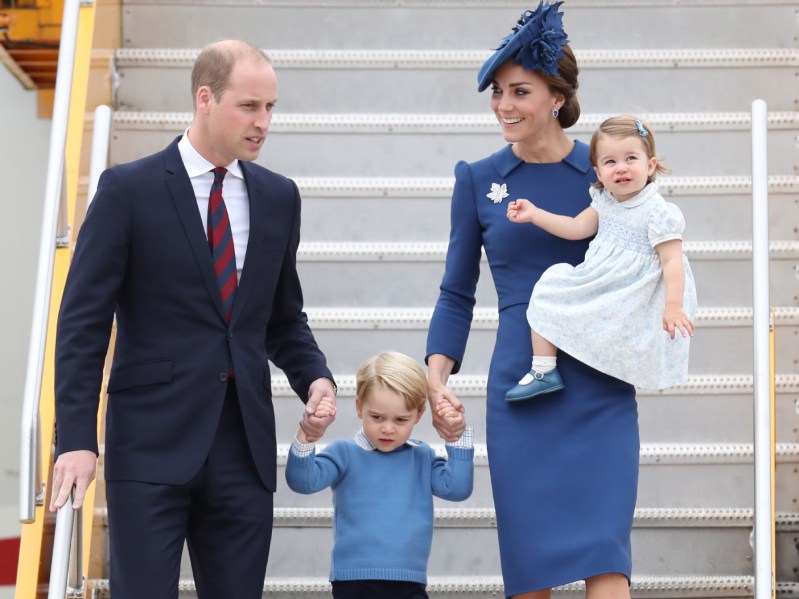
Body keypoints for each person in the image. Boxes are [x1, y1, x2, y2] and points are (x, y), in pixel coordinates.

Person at [49, 40, 337, 598]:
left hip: (243, 450)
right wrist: (76, 439)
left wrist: (315, 378)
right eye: (249, 106)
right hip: (149, 448)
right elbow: (82, 323)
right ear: (205, 98)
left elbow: (281, 318)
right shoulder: (127, 190)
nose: (264, 122)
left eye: (271, 107)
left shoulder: (280, 197)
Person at [426, 2, 641, 598]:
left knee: (607, 557)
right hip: (522, 387)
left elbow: (651, 255)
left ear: (556, 96)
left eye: (519, 91)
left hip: (601, 382)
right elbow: (456, 290)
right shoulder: (477, 178)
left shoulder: (607, 173)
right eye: (497, 92)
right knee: (530, 570)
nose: (503, 106)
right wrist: (436, 372)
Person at [504, 115, 697, 401]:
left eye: (631, 158)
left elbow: (672, 261)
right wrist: (536, 214)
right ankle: (544, 370)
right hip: (602, 281)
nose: (621, 168)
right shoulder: (604, 201)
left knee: (622, 329)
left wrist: (673, 306)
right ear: (598, 171)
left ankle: (608, 366)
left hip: (636, 292)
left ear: (650, 165)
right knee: (550, 288)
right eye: (610, 162)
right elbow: (576, 227)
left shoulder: (659, 212)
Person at [285, 351, 474, 599]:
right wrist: (306, 437)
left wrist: (456, 437)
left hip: (409, 581)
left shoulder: (422, 456)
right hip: (353, 582)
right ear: (359, 407)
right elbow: (302, 482)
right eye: (377, 417)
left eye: (400, 419)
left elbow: (458, 488)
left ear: (418, 415)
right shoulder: (344, 453)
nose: (387, 428)